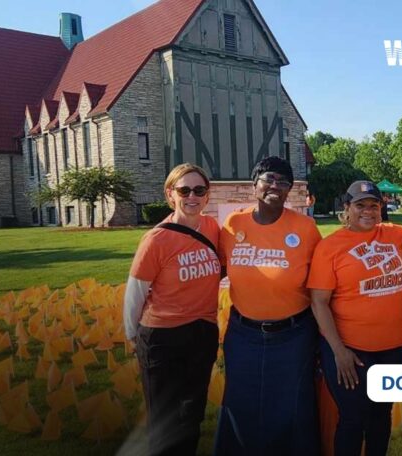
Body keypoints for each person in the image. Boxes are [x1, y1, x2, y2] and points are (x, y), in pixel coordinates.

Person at [214, 157, 323, 454]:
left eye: (283, 182)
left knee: (294, 404)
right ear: (255, 185)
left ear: (289, 191)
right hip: (243, 334)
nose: (275, 186)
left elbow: (322, 282)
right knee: (240, 401)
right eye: (269, 179)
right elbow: (216, 269)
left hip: (294, 335)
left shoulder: (306, 228)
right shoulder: (233, 224)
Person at [308, 180, 402, 456]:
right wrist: (338, 351)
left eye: (374, 205)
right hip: (351, 351)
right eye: (360, 205)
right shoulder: (330, 247)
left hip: (395, 347)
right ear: (347, 208)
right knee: (353, 418)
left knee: (381, 415)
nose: (368, 211)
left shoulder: (395, 235)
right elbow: (319, 302)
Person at [125, 163, 221, 456]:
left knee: (192, 413)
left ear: (207, 195)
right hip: (162, 338)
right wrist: (133, 336)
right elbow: (135, 292)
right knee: (165, 419)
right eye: (184, 190)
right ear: (170, 194)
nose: (192, 196)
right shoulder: (156, 240)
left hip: (202, 333)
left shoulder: (212, 228)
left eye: (199, 190)